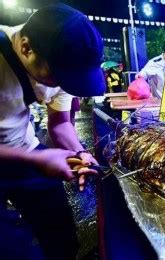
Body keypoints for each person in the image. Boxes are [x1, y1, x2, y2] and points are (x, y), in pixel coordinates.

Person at [0, 3, 105, 259]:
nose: (63, 84)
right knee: (13, 249)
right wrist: (36, 158)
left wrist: (78, 152)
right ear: (26, 48)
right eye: (58, 76)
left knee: (62, 236)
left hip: (22, 148)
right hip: (23, 155)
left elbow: (59, 123)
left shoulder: (62, 61)